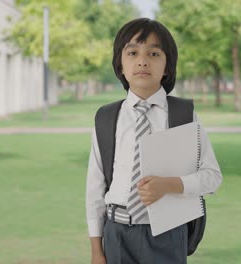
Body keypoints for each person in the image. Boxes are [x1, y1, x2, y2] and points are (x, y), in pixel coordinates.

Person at [86, 18, 222, 264]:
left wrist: (169, 185)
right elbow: (94, 189)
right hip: (116, 234)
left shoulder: (184, 114)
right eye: (132, 52)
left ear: (167, 65)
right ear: (120, 64)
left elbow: (212, 177)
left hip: (167, 235)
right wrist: (97, 249)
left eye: (154, 53)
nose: (142, 60)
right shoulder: (106, 118)